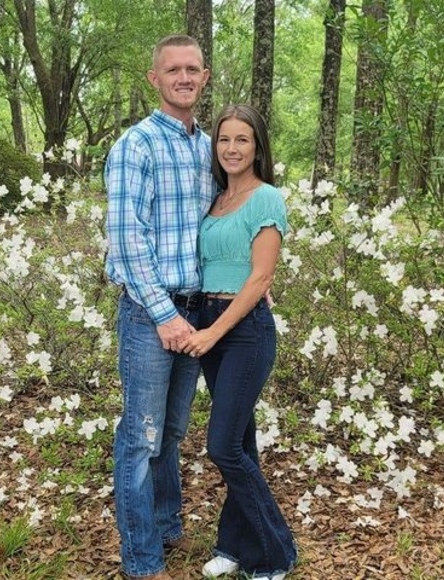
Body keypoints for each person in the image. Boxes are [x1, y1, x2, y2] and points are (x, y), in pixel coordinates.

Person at [104, 34, 215, 580]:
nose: (184, 77)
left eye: (192, 69)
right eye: (173, 70)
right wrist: (164, 315)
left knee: (171, 432)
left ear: (205, 76)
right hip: (152, 315)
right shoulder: (137, 145)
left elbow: (221, 224)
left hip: (197, 311)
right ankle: (143, 561)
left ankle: (167, 525)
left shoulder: (210, 147)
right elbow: (127, 240)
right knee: (141, 437)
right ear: (155, 78)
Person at [181, 104, 297, 580]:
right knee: (242, 445)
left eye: (242, 139)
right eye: (224, 139)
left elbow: (261, 276)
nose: (231, 148)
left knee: (223, 447)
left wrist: (214, 330)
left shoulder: (266, 198)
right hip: (210, 319)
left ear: (257, 147)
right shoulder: (216, 200)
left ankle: (275, 552)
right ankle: (234, 545)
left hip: (244, 330)